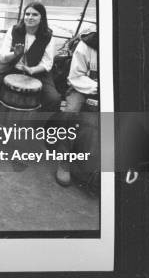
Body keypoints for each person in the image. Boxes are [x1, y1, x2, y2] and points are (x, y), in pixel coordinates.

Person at [0, 1, 61, 112]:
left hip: (37, 72)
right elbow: (2, 57)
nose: (30, 17)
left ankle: (39, 125)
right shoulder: (14, 31)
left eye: (35, 14)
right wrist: (14, 53)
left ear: (41, 18)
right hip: (11, 67)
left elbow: (47, 63)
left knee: (54, 99)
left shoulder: (47, 36)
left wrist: (32, 70)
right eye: (27, 14)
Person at [55, 31, 98, 186]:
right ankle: (64, 161)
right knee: (70, 114)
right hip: (81, 88)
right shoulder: (87, 45)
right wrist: (100, 87)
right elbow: (75, 77)